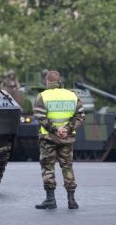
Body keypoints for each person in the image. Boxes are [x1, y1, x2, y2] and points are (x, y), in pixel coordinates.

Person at [33, 70, 86, 210]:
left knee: (48, 167)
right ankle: (72, 200)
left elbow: (40, 116)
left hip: (49, 138)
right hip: (66, 139)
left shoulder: (43, 96)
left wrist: (55, 130)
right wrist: (66, 129)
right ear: (59, 81)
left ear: (47, 81)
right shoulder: (72, 95)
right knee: (67, 166)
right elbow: (80, 115)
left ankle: (50, 200)